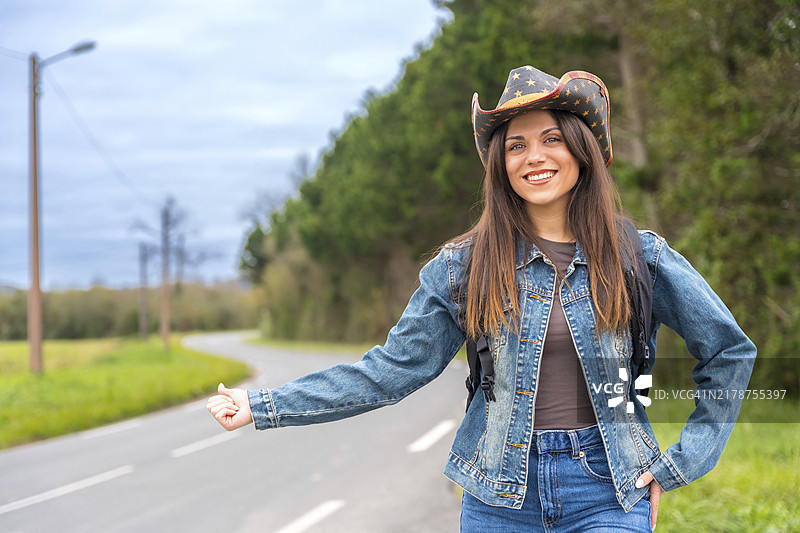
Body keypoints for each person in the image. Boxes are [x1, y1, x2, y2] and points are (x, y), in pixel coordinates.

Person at [207, 65, 757, 532]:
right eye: (515, 144)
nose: (533, 156)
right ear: (500, 163)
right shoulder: (462, 268)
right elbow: (390, 372)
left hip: (609, 485)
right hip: (498, 495)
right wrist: (263, 406)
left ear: (582, 151)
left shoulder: (640, 256)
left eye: (552, 139)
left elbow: (729, 352)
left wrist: (680, 463)